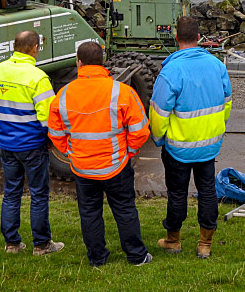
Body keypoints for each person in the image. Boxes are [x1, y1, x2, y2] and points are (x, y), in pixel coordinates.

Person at [47, 41, 152, 267]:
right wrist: (129, 151)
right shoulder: (122, 91)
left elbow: (55, 133)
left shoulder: (64, 94)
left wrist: (70, 152)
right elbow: (141, 130)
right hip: (116, 165)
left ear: (79, 62)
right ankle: (136, 256)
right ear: (103, 62)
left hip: (83, 167)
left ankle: (97, 258)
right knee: (125, 210)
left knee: (90, 213)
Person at [0, 30, 64, 256]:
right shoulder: (38, 78)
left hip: (6, 144)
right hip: (32, 146)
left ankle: (12, 244)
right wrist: (51, 140)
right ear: (35, 48)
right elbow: (48, 118)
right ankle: (42, 245)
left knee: (11, 192)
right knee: (38, 194)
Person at [150, 16, 232, 259]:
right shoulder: (217, 65)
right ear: (199, 38)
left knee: (177, 193)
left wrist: (159, 139)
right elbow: (227, 104)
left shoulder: (171, 71)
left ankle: (173, 240)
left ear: (176, 39)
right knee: (208, 191)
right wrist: (215, 129)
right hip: (209, 144)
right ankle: (204, 244)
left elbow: (158, 113)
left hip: (178, 147)